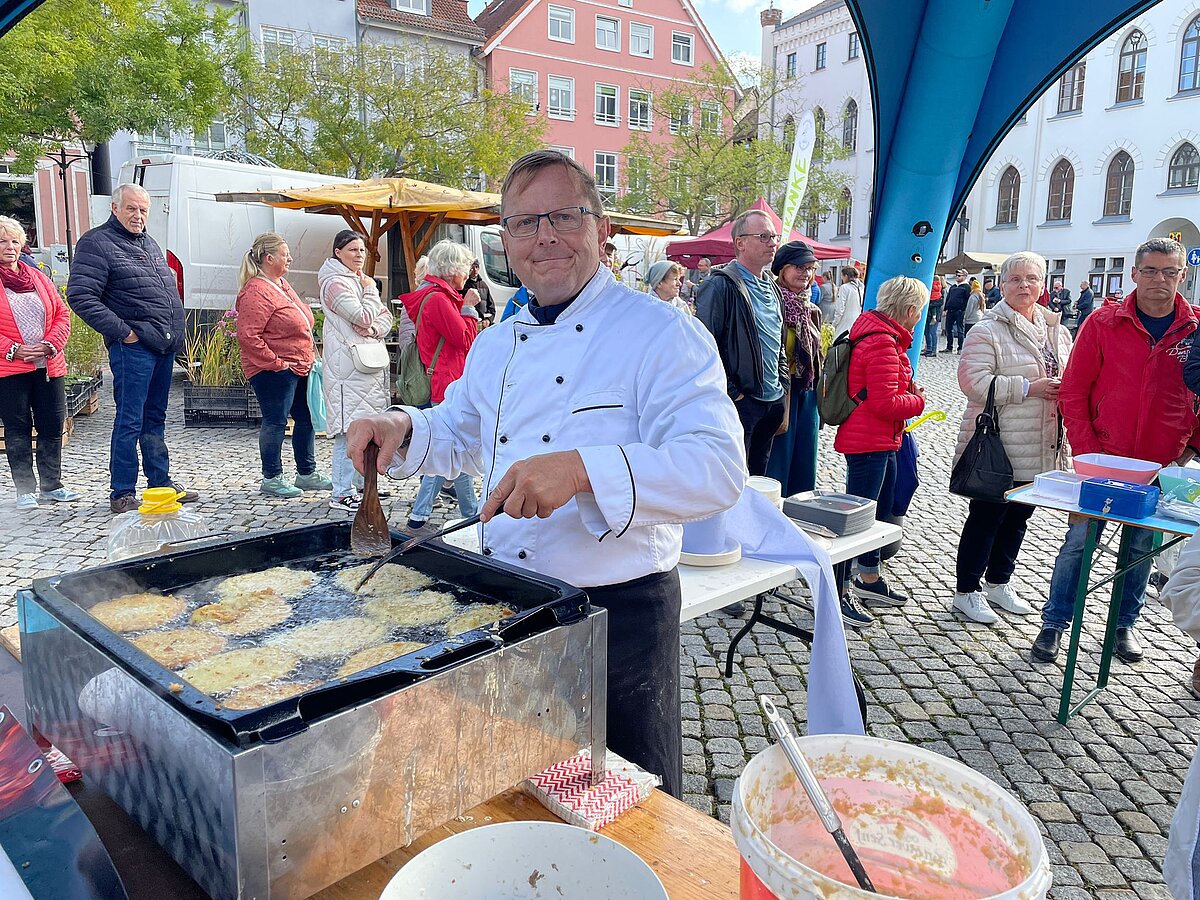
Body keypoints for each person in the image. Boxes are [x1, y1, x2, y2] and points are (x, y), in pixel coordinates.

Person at [346, 150, 744, 798]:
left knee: (629, 807)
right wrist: (403, 427)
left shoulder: (662, 333)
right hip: (508, 603)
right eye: (526, 223)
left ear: (601, 229)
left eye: (564, 216)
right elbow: (464, 430)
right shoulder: (497, 342)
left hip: (618, 617)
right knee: (516, 787)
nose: (545, 236)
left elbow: (718, 466)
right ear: (505, 242)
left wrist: (584, 469)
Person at [1034, 237, 1198, 665]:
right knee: (1078, 543)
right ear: (1135, 274)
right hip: (1103, 457)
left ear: (1183, 275)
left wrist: (1189, 447)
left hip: (1160, 464)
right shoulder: (1103, 323)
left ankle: (1124, 624)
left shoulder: (1196, 328)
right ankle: (1054, 622)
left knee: (1140, 548)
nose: (1159, 280)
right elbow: (1073, 391)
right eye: (1151, 271)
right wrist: (1089, 452)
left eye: (1169, 272)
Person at [951, 252, 1072, 624]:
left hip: (1041, 441)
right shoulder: (986, 329)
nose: (1024, 285)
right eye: (1016, 279)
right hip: (1000, 442)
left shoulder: (1056, 329)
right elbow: (973, 382)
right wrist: (1029, 388)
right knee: (986, 517)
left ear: (1043, 285)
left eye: (1031, 279)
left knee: (1019, 518)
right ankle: (966, 591)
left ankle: (999, 582)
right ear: (1002, 284)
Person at [67, 183, 197, 513]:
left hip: (161, 346)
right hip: (134, 348)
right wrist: (125, 333)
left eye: (143, 210)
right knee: (130, 421)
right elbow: (81, 297)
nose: (138, 215)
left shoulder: (148, 243)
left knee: (154, 419)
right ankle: (122, 491)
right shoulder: (96, 243)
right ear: (115, 208)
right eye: (131, 208)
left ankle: (160, 483)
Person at [833, 275, 928, 627]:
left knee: (876, 513)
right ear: (910, 310)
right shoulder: (882, 343)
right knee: (857, 519)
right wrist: (917, 400)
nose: (920, 317)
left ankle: (868, 577)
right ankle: (840, 589)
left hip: (879, 439)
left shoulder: (883, 337)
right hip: (869, 441)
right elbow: (885, 403)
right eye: (920, 310)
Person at [235, 232, 330, 499]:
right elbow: (248, 336)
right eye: (285, 255)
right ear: (269, 258)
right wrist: (276, 363)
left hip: (299, 365)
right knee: (276, 421)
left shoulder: (281, 284)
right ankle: (272, 477)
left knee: (306, 418)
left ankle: (306, 472)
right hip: (273, 370)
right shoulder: (255, 290)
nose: (290, 259)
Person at [695, 209, 788, 477]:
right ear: (740, 243)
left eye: (774, 237)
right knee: (732, 480)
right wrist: (733, 392)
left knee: (758, 481)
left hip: (771, 400)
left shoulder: (772, 287)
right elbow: (704, 346)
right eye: (763, 236)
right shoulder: (720, 285)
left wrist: (782, 386)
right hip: (741, 403)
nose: (772, 243)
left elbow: (779, 341)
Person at [401, 239, 481, 530]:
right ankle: (421, 517)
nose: (468, 274)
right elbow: (465, 339)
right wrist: (469, 309)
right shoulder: (438, 299)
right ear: (453, 269)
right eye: (465, 267)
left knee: (454, 450)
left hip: (443, 380)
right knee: (448, 450)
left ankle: (469, 513)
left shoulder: (433, 295)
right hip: (447, 382)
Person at [0, 216, 79, 509]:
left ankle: (51, 485)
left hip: (49, 366)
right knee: (17, 429)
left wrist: (50, 345)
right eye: (2, 241)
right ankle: (24, 489)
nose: (9, 247)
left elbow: (62, 314)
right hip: (10, 369)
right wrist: (14, 350)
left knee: (52, 425)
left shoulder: (38, 277)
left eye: (14, 241)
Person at [318, 229, 394, 512]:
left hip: (366, 366)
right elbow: (362, 315)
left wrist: (373, 329)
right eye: (352, 249)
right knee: (348, 432)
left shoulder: (359, 280)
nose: (359, 255)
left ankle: (366, 484)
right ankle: (341, 492)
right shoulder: (335, 284)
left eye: (362, 250)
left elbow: (384, 318)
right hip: (347, 369)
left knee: (369, 429)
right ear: (338, 252)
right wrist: (371, 291)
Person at [765, 241, 822, 496]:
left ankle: (800, 512)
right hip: (781, 391)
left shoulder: (810, 309)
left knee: (804, 462)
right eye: (799, 267)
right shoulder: (770, 303)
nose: (805, 273)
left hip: (806, 392)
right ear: (782, 269)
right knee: (778, 461)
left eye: (810, 268)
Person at [942, 268, 970, 353]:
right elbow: (948, 298)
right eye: (956, 275)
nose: (957, 277)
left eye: (959, 275)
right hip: (950, 310)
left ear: (964, 276)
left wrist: (963, 309)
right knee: (948, 329)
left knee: (959, 329)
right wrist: (945, 309)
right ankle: (949, 347)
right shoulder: (953, 287)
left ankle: (960, 348)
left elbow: (967, 300)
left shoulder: (966, 287)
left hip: (959, 311)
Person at [832, 266, 864, 338]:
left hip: (845, 322)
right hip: (857, 321)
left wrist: (834, 324)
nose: (841, 278)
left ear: (846, 276)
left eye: (842, 276)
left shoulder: (844, 287)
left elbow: (840, 309)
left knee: (840, 342)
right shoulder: (862, 287)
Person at [462, 259, 494, 327]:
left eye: (476, 267)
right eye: (472, 267)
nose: (475, 270)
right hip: (468, 323)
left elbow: (491, 307)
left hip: (482, 325)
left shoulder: (483, 285)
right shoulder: (462, 285)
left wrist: (488, 320)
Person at [922, 274, 943, 357]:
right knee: (928, 332)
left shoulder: (936, 294)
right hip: (930, 315)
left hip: (933, 316)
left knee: (931, 332)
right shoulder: (937, 293)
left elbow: (936, 304)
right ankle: (930, 349)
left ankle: (932, 350)